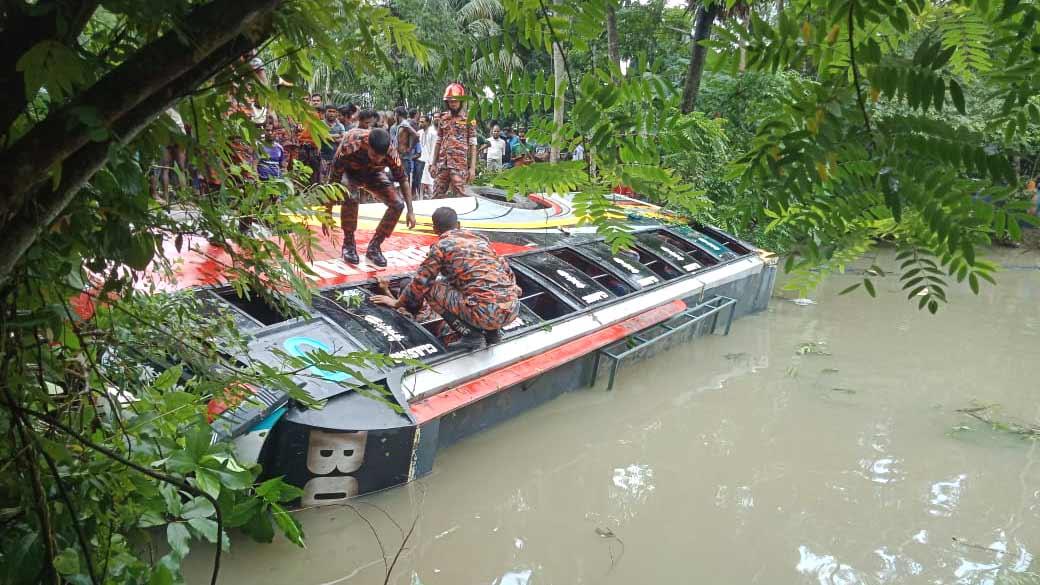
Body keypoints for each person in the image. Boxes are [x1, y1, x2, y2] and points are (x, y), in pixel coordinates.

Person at [372, 207, 520, 350]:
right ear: (459, 225)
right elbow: (509, 275)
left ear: (435, 229)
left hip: (485, 313)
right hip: (512, 310)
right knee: (466, 285)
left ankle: (471, 335)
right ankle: (492, 334)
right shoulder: (481, 241)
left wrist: (396, 302)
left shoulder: (441, 246)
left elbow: (421, 282)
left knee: (429, 287)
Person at [326, 127, 416, 266]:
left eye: (381, 158)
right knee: (351, 198)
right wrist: (327, 212)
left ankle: (375, 247)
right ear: (368, 145)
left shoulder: (391, 152)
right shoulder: (350, 146)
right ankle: (348, 244)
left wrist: (410, 211)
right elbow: (334, 179)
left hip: (374, 174)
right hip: (350, 173)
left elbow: (403, 179)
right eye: (374, 156)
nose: (377, 159)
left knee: (398, 204)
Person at [431, 83, 477, 198]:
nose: (453, 104)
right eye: (450, 101)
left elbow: (473, 145)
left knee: (461, 196)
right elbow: (438, 142)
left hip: (459, 165)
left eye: (456, 101)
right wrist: (433, 163)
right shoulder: (443, 118)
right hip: (443, 164)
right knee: (436, 194)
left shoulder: (469, 120)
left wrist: (472, 168)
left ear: (461, 101)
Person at [320, 104, 346, 183]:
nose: (331, 113)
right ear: (325, 112)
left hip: (335, 157)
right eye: (330, 111)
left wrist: (328, 137)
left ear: (337, 113)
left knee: (334, 181)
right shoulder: (320, 123)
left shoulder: (340, 126)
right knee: (322, 180)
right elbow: (321, 136)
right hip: (322, 157)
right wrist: (337, 135)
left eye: (334, 112)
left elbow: (343, 139)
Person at [418, 115, 438, 199]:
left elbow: (434, 148)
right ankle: (420, 200)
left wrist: (431, 163)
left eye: (422, 122)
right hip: (420, 161)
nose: (420, 123)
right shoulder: (419, 133)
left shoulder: (433, 133)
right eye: (420, 121)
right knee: (420, 183)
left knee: (430, 183)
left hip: (428, 162)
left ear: (428, 123)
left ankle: (432, 199)